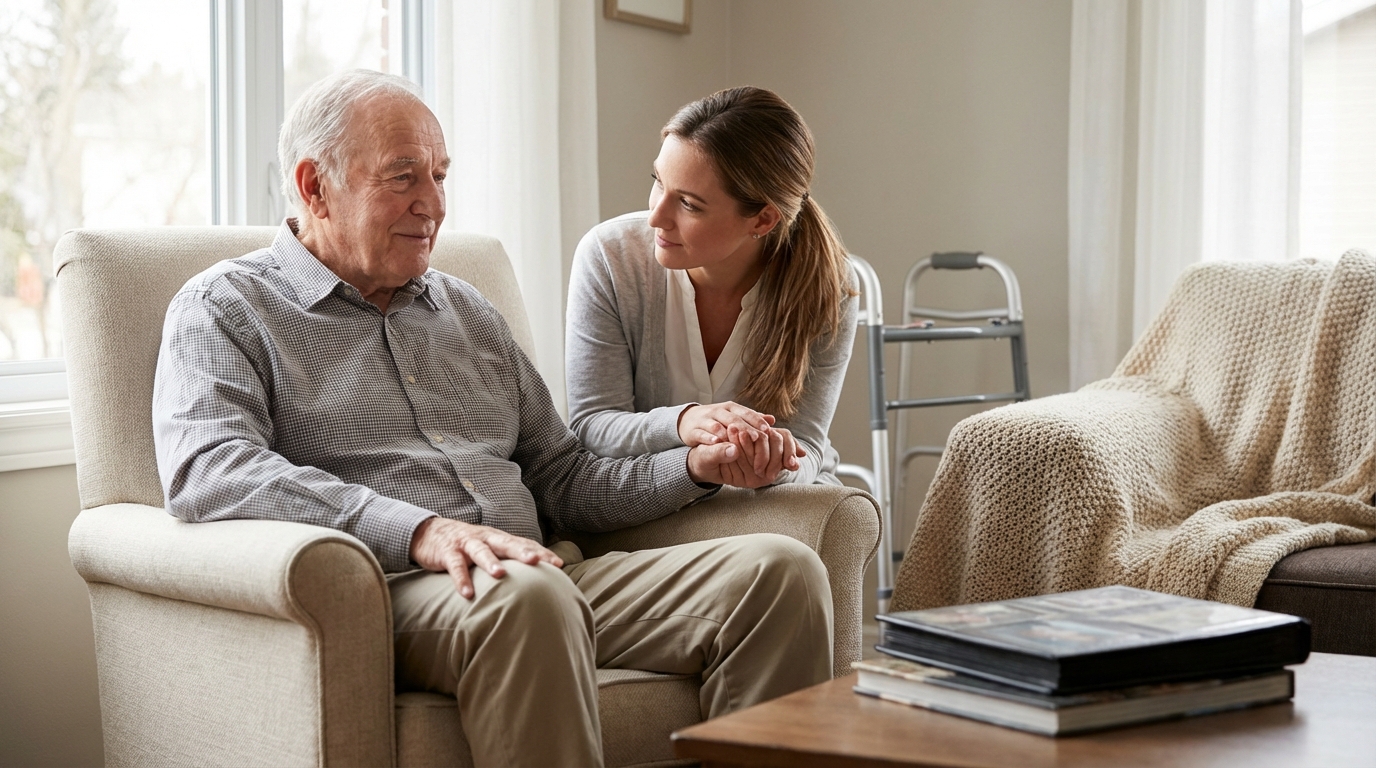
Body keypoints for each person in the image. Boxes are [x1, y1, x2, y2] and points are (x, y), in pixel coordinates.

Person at [151, 70, 832, 768]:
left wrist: (691, 467)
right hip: (394, 592)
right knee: (528, 599)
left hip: (539, 574)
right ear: (314, 185)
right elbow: (212, 471)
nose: (433, 204)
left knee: (779, 572)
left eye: (441, 176)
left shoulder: (465, 310)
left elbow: (562, 477)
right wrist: (420, 532)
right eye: (403, 177)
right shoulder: (225, 308)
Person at [566, 86, 857, 488]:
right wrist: (685, 423)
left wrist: (775, 467)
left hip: (772, 499)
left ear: (762, 220)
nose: (656, 217)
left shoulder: (829, 285)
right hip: (648, 490)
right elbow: (592, 426)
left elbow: (808, 441)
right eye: (658, 182)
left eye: (688, 204)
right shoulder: (609, 257)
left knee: (844, 512)